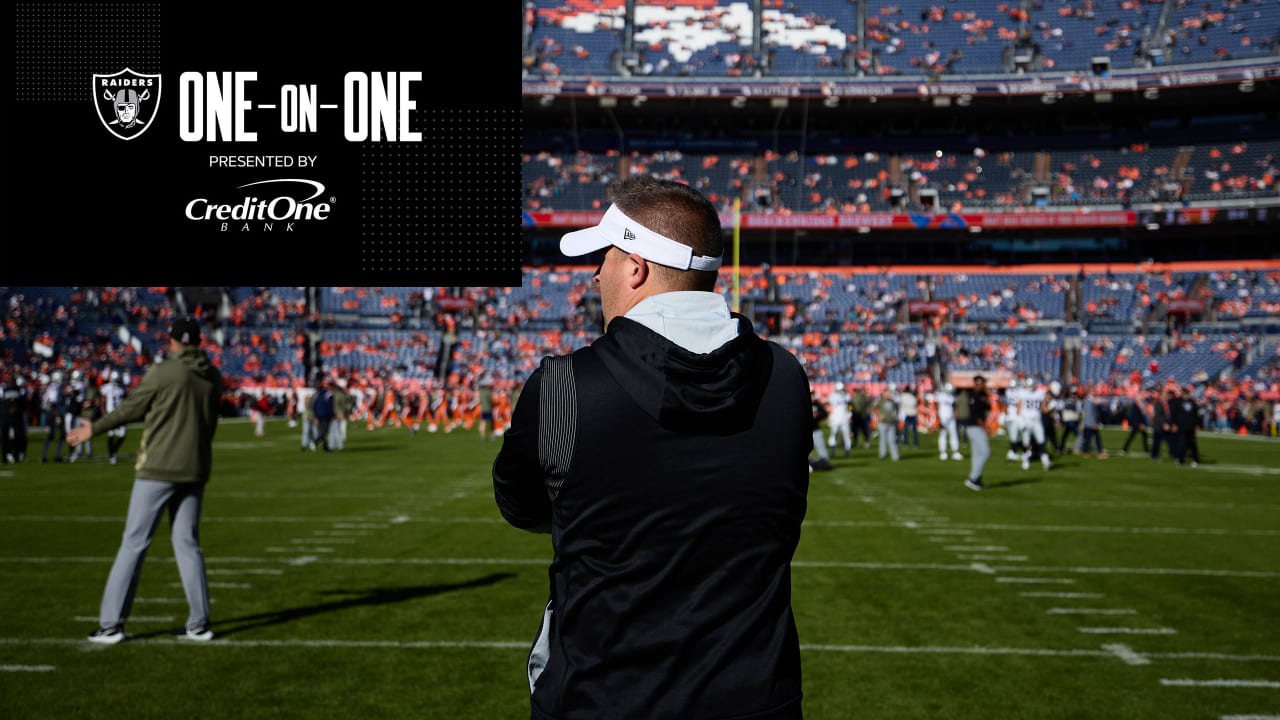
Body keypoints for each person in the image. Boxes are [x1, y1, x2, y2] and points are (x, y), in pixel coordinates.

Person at [492, 176, 809, 720]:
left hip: (603, 697)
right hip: (757, 698)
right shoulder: (785, 375)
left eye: (605, 258)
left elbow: (522, 507)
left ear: (636, 267)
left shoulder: (566, 385)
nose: (595, 275)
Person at [66, 317, 223, 645]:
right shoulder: (213, 376)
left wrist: (93, 429)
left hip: (159, 468)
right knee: (188, 544)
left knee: (134, 543)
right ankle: (200, 623)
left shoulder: (165, 372)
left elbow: (131, 409)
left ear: (172, 341)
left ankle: (111, 624)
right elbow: (210, 425)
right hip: (195, 468)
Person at [958, 374, 993, 491]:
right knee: (985, 453)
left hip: (973, 427)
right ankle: (973, 478)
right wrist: (985, 427)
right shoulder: (975, 395)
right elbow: (977, 414)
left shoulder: (980, 395)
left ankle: (976, 479)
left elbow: (988, 408)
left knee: (977, 454)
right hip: (975, 427)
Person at [100, 370, 128, 465]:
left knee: (122, 434)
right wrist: (103, 412)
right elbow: (102, 401)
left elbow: (124, 401)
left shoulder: (121, 389)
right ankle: (112, 455)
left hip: (119, 414)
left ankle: (114, 452)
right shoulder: (107, 387)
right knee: (111, 434)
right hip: (111, 414)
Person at [1170, 385, 1201, 467]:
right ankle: (1180, 460)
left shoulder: (1192, 402)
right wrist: (1174, 424)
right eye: (1185, 394)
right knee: (1181, 445)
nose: (1186, 395)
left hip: (1191, 427)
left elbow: (1196, 414)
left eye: (1187, 394)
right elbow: (1174, 414)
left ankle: (1196, 460)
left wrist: (1197, 425)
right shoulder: (1177, 402)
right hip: (1181, 427)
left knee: (1192, 445)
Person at [934, 382, 962, 461]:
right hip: (943, 418)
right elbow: (936, 406)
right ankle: (943, 452)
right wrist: (938, 418)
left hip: (951, 418)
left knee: (954, 434)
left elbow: (954, 406)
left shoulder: (952, 397)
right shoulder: (940, 396)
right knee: (943, 435)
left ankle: (955, 452)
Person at [826, 381, 852, 457]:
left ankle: (847, 452)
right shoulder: (832, 396)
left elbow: (850, 405)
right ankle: (832, 452)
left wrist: (850, 414)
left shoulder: (846, 395)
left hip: (844, 418)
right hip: (836, 419)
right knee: (833, 435)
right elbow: (830, 407)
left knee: (846, 436)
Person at [810, 389, 833, 471]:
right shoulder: (803, 403)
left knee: (821, 448)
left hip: (816, 430)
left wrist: (818, 415)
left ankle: (824, 464)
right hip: (805, 432)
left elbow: (825, 414)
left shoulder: (817, 404)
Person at [876, 384, 900, 461]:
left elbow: (897, 409)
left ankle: (895, 456)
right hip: (883, 423)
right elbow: (874, 408)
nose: (889, 394)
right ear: (884, 393)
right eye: (887, 393)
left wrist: (896, 415)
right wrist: (878, 415)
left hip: (891, 423)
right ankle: (882, 454)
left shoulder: (893, 402)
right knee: (883, 440)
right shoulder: (880, 401)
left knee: (892, 440)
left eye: (890, 393)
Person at [849, 385, 872, 449]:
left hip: (858, 416)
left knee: (857, 431)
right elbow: (850, 405)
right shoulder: (864, 397)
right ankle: (866, 442)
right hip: (861, 416)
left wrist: (850, 411)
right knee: (863, 430)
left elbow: (850, 406)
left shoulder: (854, 397)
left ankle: (857, 443)